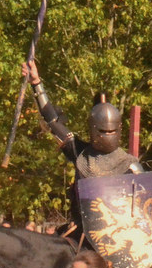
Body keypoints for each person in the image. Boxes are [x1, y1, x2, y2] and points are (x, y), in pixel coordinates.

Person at [22, 59, 142, 226]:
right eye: (102, 131)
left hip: (122, 231)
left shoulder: (130, 165)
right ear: (93, 129)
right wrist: (36, 83)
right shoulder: (81, 154)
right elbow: (53, 122)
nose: (107, 134)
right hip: (82, 229)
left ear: (118, 129)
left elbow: (142, 210)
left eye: (111, 131)